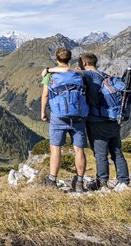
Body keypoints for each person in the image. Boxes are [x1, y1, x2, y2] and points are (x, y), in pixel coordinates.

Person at [41, 52, 130, 190]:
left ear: (86, 63)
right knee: (116, 151)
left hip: (97, 121)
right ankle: (123, 180)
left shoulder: (87, 75)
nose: (80, 66)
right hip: (114, 119)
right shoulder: (105, 76)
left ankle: (102, 182)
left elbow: (66, 69)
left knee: (100, 153)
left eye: (81, 64)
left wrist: (47, 70)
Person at [40, 48, 88, 192]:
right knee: (79, 150)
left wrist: (43, 112)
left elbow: (45, 95)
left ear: (56, 58)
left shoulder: (50, 75)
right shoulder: (78, 74)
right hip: (78, 116)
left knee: (56, 149)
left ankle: (52, 180)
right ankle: (79, 182)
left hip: (58, 117)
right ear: (70, 58)